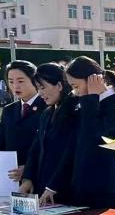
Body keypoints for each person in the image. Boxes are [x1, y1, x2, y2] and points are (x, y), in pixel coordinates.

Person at [65, 56, 115, 210]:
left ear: (93, 80)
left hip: (103, 185)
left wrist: (91, 98)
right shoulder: (83, 102)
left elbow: (93, 135)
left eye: (76, 86)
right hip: (79, 183)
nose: (75, 92)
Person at [21, 63, 79, 206]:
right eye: (38, 89)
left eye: (43, 87)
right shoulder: (47, 113)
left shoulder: (75, 113)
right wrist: (28, 178)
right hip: (43, 187)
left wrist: (53, 186)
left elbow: (70, 155)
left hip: (65, 188)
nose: (40, 93)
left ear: (59, 85)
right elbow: (36, 148)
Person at [0, 60, 46, 182]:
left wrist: (29, 169)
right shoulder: (9, 110)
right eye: (11, 81)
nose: (15, 86)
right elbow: (1, 144)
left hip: (39, 178)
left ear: (35, 81)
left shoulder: (47, 107)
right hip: (10, 179)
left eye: (20, 81)